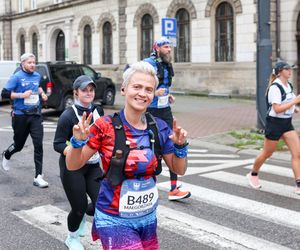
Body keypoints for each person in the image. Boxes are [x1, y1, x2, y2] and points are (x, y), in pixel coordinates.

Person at [65, 61, 188, 249]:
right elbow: (73, 165)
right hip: (113, 218)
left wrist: (180, 147)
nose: (142, 93)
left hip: (147, 218)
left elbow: (179, 168)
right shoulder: (104, 126)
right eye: (136, 87)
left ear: (153, 94)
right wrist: (77, 142)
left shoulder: (160, 128)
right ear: (123, 89)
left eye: (148, 89)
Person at [53, 75, 104, 250]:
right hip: (72, 168)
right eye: (84, 90)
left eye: (91, 89)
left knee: (102, 204)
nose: (89, 93)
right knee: (78, 207)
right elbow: (58, 144)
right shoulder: (67, 116)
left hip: (93, 166)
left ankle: (81, 212)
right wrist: (75, 152)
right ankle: (72, 237)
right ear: (76, 93)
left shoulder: (99, 111)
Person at [144, 37, 191, 201]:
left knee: (172, 143)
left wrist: (167, 95)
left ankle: (173, 188)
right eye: (165, 47)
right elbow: (138, 83)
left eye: (170, 47)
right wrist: (153, 93)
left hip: (164, 110)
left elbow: (164, 86)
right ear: (156, 48)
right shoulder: (148, 64)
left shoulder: (165, 63)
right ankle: (145, 186)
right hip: (150, 111)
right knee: (151, 147)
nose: (169, 50)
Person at [247, 61, 300, 195]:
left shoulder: (289, 85)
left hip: (287, 123)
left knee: (297, 153)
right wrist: (294, 102)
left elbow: (287, 102)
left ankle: (299, 184)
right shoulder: (275, 88)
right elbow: (276, 109)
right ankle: (253, 174)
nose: (290, 71)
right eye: (287, 69)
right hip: (274, 124)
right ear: (280, 71)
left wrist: (295, 109)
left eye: (291, 69)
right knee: (267, 153)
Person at [1, 53, 48, 188]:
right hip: (20, 116)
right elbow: (4, 94)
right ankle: (7, 154)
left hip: (35, 115)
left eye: (34, 62)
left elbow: (37, 87)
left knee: (38, 145)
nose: (33, 65)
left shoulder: (37, 76)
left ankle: (38, 176)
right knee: (19, 145)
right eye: (29, 62)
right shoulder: (16, 77)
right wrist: (22, 95)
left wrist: (42, 93)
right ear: (23, 64)